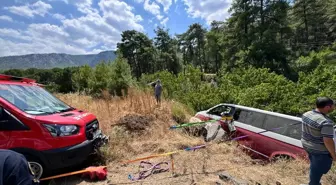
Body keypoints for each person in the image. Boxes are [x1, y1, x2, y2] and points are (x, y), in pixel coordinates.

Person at [301, 97, 336, 185]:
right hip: (319, 150)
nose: (334, 107)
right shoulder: (326, 122)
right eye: (333, 106)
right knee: (319, 169)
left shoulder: (306, 114)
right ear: (327, 107)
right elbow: (328, 141)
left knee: (315, 166)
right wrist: (334, 155)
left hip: (307, 145)